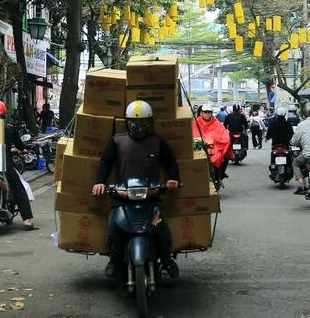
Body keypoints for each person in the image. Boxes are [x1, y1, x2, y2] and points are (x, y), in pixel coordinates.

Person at [92, 100, 180, 278]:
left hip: (151, 197)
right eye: (132, 121)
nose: (137, 125)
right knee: (113, 230)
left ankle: (166, 259)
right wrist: (99, 181)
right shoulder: (117, 141)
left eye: (142, 122)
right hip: (122, 197)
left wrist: (173, 179)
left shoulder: (157, 142)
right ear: (126, 121)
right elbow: (105, 162)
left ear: (150, 122)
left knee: (161, 229)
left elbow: (170, 162)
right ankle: (113, 261)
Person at [0, 100, 36, 229]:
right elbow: (19, 144)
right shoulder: (9, 128)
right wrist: (23, 149)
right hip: (3, 165)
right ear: (3, 115)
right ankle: (27, 220)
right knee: (19, 188)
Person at [192, 101, 231, 190]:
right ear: (201, 113)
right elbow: (194, 135)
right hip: (201, 147)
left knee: (226, 156)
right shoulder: (196, 122)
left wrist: (215, 142)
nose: (207, 114)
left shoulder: (217, 123)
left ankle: (220, 176)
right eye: (205, 112)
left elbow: (224, 135)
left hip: (215, 147)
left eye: (209, 112)